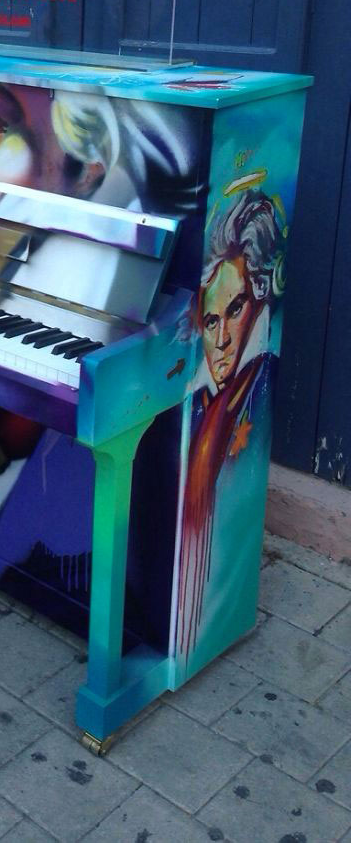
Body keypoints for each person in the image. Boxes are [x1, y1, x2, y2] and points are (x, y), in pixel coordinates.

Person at [176, 190, 283, 658]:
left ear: (258, 299)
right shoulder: (199, 400)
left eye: (235, 311)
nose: (218, 341)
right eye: (210, 319)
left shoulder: (259, 386)